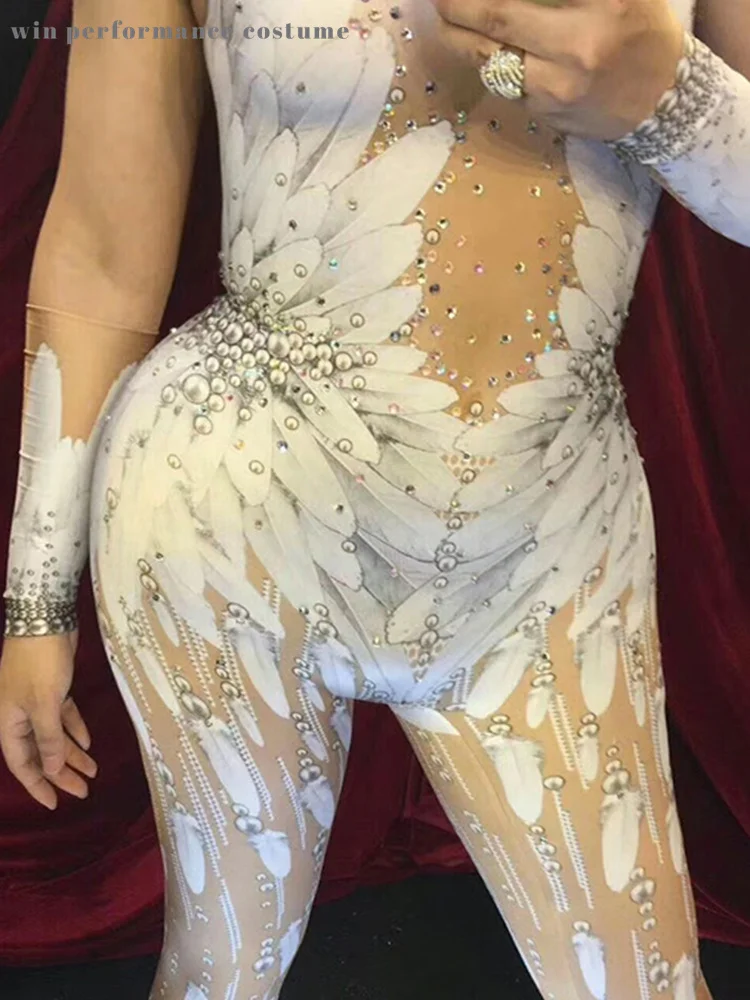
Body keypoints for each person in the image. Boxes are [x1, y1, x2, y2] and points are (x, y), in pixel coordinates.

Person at [1, 0, 748, 996]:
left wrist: (674, 99)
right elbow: (102, 250)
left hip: (552, 543)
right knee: (219, 976)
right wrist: (34, 598)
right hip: (229, 519)